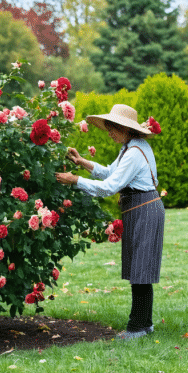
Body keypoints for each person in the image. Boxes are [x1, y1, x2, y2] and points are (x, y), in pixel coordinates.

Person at [55, 104, 165, 340]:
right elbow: (109, 173)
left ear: (125, 128)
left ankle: (137, 328)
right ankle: (145, 324)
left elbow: (109, 187)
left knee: (141, 270)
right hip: (140, 208)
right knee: (140, 269)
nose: (109, 133)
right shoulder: (130, 147)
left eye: (111, 128)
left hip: (144, 209)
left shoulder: (135, 153)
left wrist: (76, 181)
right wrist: (81, 162)